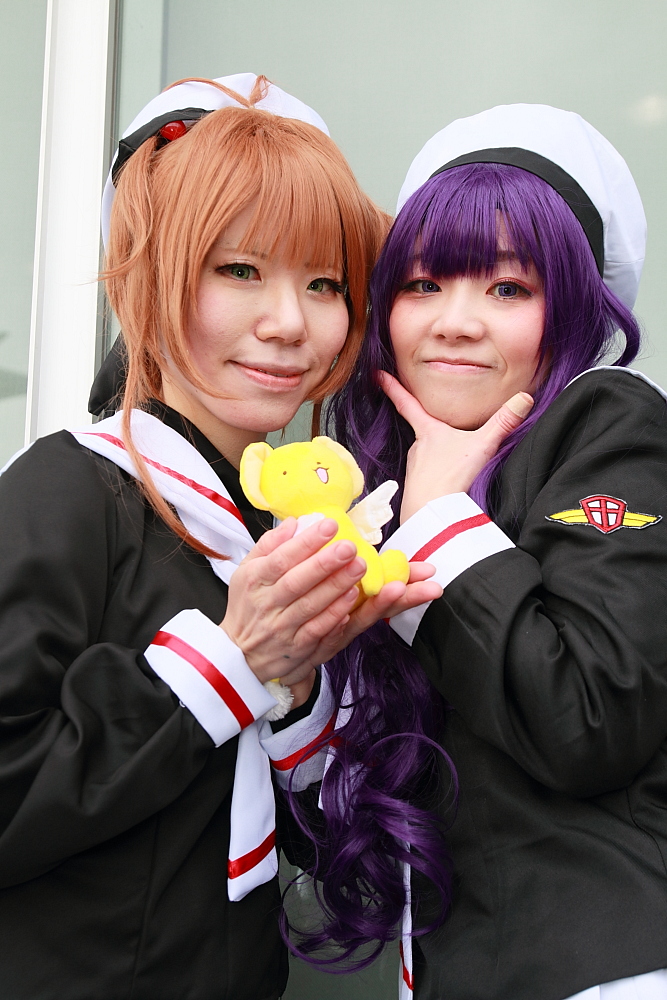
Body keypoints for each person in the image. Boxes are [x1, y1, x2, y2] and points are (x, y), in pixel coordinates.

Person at [0, 73, 441, 1000]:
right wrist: (230, 663)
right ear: (148, 273)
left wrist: (301, 685)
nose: (289, 323)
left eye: (324, 283)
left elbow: (318, 849)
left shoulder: (287, 532)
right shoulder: (67, 489)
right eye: (239, 270)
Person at [325, 105, 667, 1000]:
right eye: (423, 284)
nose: (455, 322)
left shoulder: (609, 420)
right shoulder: (386, 488)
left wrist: (439, 518)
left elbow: (590, 715)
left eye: (507, 289)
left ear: (573, 310)